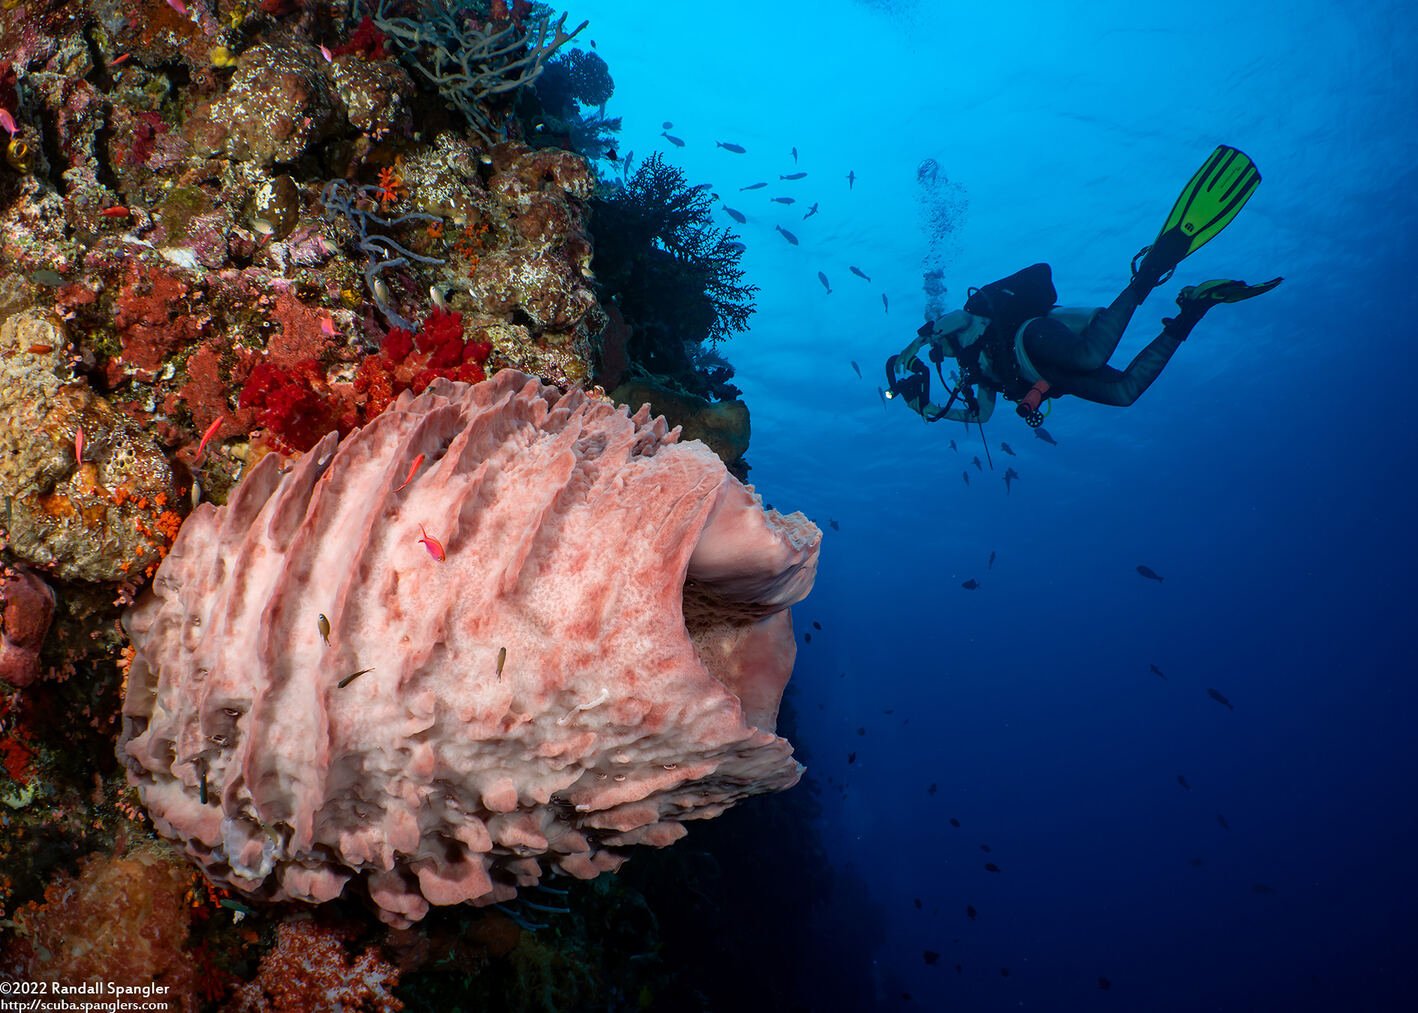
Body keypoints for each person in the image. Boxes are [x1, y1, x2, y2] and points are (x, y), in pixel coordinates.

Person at [884, 146, 1282, 429]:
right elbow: (981, 415)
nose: (942, 352)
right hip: (1049, 375)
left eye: (939, 345)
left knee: (1090, 355)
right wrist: (928, 408)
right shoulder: (976, 376)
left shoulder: (968, 323)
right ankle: (1192, 310)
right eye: (938, 349)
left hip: (1032, 337)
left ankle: (1150, 272)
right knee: (1123, 393)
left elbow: (954, 319)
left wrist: (915, 344)